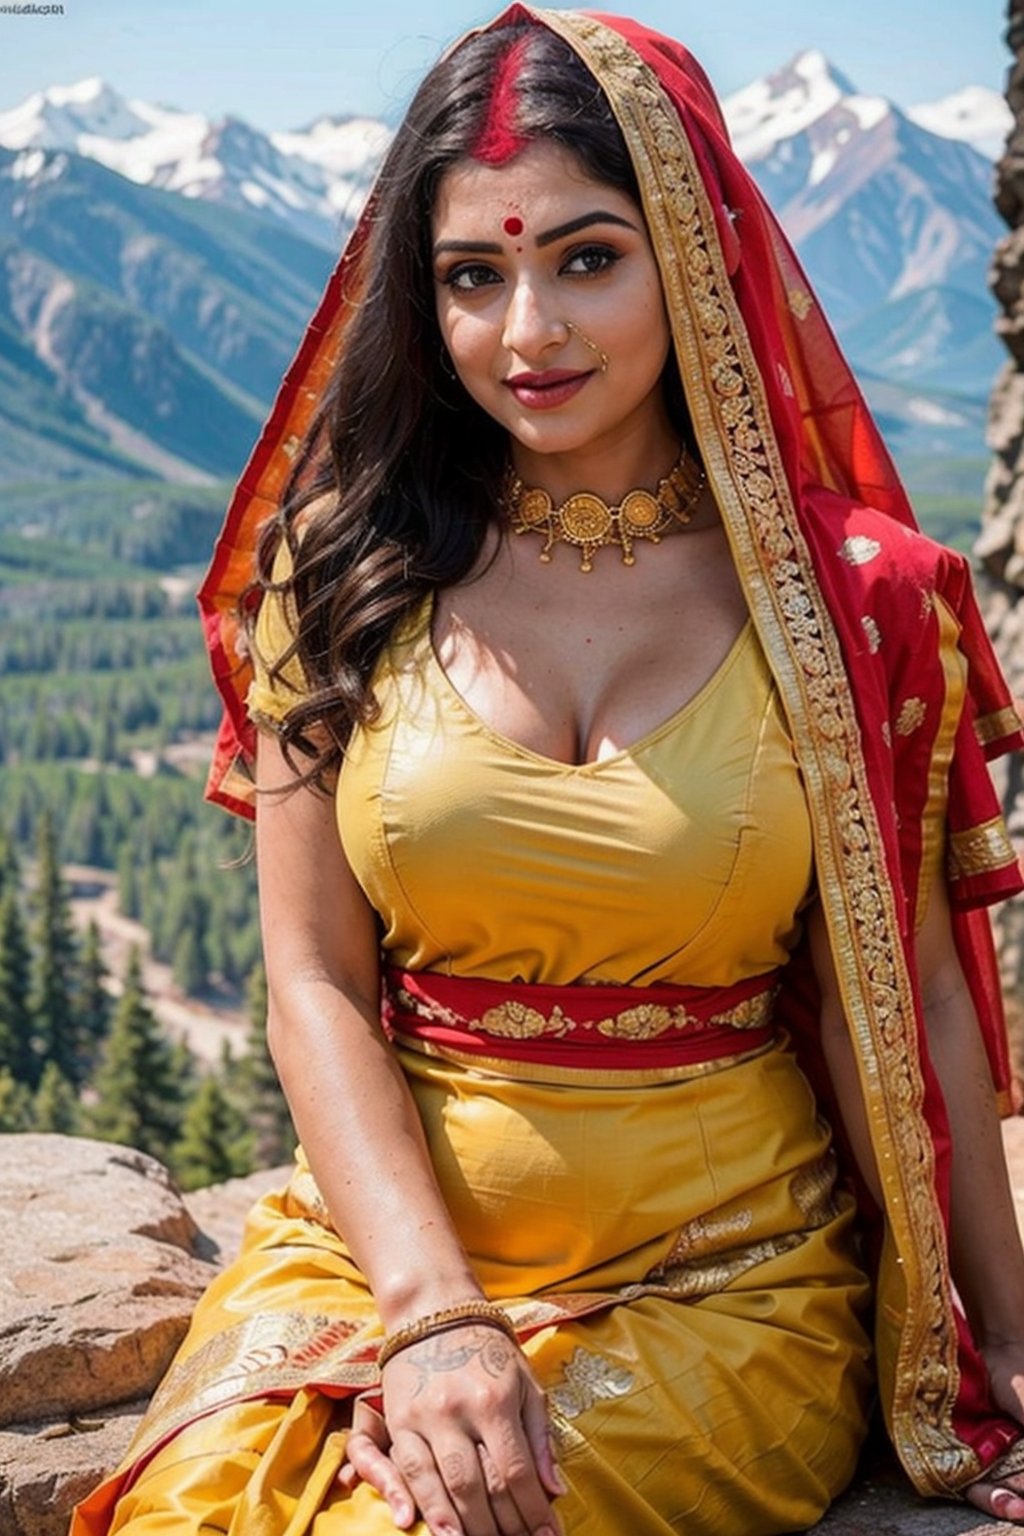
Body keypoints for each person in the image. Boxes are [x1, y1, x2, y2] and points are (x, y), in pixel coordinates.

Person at [73, 6, 1024, 1534]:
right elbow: (313, 980)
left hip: (723, 1281)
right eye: (474, 275)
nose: (530, 333)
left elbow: (903, 994)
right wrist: (433, 1316)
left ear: (694, 257)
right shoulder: (342, 569)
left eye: (587, 257)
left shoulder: (861, 603)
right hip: (376, 1259)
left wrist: (1012, 1340)